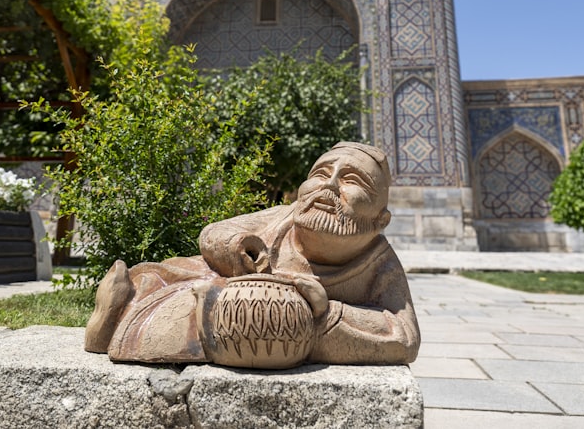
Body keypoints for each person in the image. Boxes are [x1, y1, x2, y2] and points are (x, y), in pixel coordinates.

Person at [84, 141, 420, 366]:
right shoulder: (283, 217)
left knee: (255, 326)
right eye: (319, 174)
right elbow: (214, 233)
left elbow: (404, 337)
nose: (328, 185)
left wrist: (327, 310)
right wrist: (238, 249)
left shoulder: (380, 263)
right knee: (165, 287)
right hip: (224, 283)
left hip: (293, 326)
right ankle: (116, 314)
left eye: (352, 180)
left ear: (380, 220)